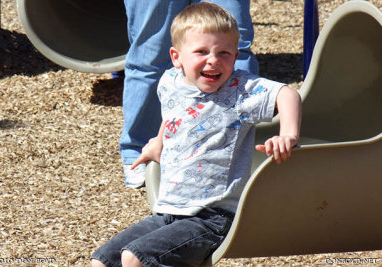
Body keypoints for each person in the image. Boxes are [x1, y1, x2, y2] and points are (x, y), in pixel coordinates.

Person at [91, 2, 301, 266]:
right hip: (168, 211)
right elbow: (172, 114)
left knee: (135, 259)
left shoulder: (240, 90)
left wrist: (288, 135)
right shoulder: (170, 82)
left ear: (235, 57)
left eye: (224, 53)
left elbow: (288, 94)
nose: (213, 60)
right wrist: (159, 141)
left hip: (213, 217)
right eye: (201, 51)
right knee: (102, 260)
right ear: (176, 57)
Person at [120, 0, 259, 188]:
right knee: (150, 56)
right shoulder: (170, 82)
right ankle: (138, 151)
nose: (211, 61)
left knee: (235, 48)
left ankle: (236, 147)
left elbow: (284, 94)